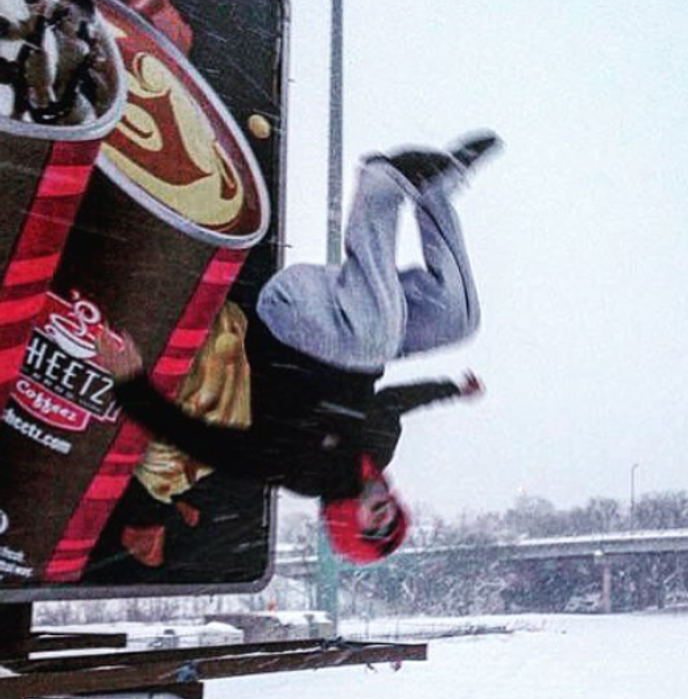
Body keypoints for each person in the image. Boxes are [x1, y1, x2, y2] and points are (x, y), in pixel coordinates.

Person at [97, 131, 501, 564]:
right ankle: (434, 197)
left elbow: (202, 442)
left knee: (374, 342)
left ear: (345, 520)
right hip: (345, 321)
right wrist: (453, 390)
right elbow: (393, 402)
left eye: (373, 526)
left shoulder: (298, 472)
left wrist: (131, 387)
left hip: (288, 318)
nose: (383, 515)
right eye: (391, 520)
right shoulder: (378, 448)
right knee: (456, 320)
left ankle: (382, 184)